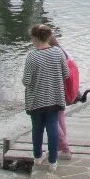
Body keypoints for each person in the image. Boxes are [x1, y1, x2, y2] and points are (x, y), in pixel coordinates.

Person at [23, 24, 69, 167]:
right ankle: (53, 162)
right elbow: (66, 74)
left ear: (35, 38)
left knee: (37, 128)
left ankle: (37, 157)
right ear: (48, 36)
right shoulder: (58, 52)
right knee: (53, 127)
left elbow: (26, 81)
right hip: (55, 97)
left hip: (36, 100)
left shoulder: (32, 56)